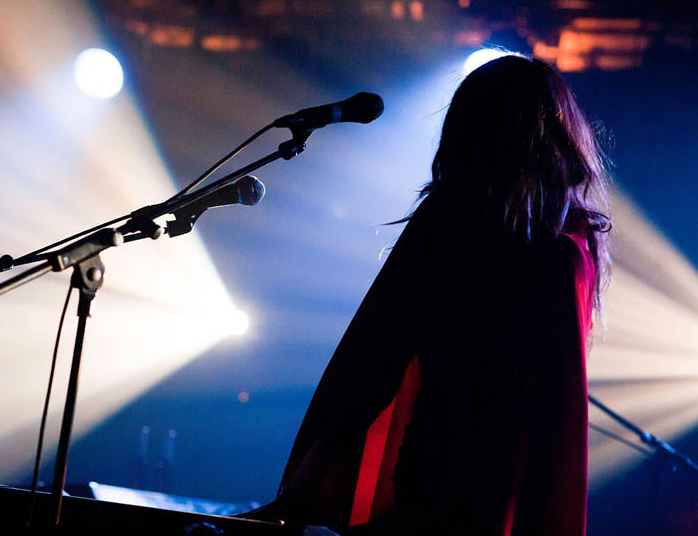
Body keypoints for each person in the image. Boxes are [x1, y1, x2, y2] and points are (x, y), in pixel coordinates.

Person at [246, 55, 610, 535]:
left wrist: (296, 498)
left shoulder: (457, 222)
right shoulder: (574, 242)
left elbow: (371, 363)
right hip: (512, 504)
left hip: (437, 495)